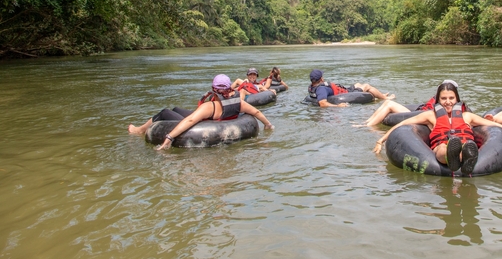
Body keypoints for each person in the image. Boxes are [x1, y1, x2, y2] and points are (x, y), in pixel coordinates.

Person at [373, 82, 502, 175]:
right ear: (438, 100)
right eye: (443, 99)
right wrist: (381, 140)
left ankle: (465, 154)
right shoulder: (431, 116)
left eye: (451, 98)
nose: (448, 102)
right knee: (443, 148)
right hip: (441, 148)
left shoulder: (467, 117)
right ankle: (453, 154)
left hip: (465, 144)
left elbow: (495, 126)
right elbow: (402, 125)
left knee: (465, 146)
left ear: (457, 100)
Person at [128, 74, 274, 149]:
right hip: (219, 120)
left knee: (165, 112)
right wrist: (268, 125)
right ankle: (140, 129)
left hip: (206, 122)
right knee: (176, 110)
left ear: (214, 89)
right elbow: (256, 113)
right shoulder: (238, 102)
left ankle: (139, 130)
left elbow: (191, 121)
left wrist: (169, 138)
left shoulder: (210, 106)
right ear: (229, 88)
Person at [361, 79, 468, 126]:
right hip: (418, 112)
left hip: (419, 115)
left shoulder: (452, 106)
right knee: (386, 103)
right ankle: (367, 122)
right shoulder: (439, 99)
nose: (447, 101)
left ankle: (369, 125)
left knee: (389, 104)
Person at [308, 69, 395, 108]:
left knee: (358, 84)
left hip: (345, 91)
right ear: (321, 79)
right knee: (366, 86)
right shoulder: (321, 89)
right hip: (345, 94)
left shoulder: (312, 87)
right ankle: (384, 98)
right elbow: (322, 103)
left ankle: (380, 95)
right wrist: (337, 106)